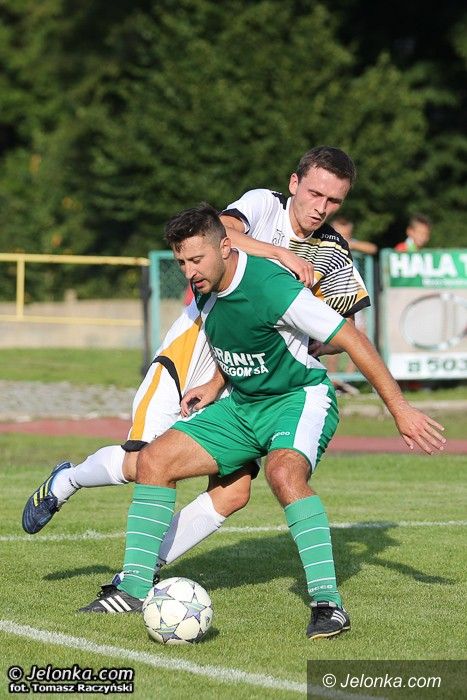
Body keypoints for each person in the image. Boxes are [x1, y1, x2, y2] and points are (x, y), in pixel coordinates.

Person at [79, 205, 445, 640]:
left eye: (196, 259)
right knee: (154, 461)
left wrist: (400, 409)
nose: (189, 271)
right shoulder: (205, 287)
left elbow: (351, 337)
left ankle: (328, 604)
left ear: (225, 246)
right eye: (181, 262)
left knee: (284, 474)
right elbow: (241, 338)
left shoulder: (271, 286)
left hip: (298, 398)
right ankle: (135, 589)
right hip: (243, 404)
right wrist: (215, 383)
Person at [23, 147, 369, 575]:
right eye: (315, 194)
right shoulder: (265, 204)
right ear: (294, 183)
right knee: (144, 462)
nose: (321, 208)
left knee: (233, 491)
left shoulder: (333, 248)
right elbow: (219, 232)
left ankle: (140, 573)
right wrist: (280, 253)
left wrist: (314, 343)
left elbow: (348, 326)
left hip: (243, 368)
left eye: (334, 201)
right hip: (197, 342)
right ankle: (68, 480)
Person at [326, 215, 377, 381]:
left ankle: (347, 379)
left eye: (347, 235)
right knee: (334, 338)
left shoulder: (350, 244)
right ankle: (334, 379)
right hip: (333, 298)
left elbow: (372, 248)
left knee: (360, 337)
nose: (344, 238)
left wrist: (350, 244)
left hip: (354, 298)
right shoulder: (326, 244)